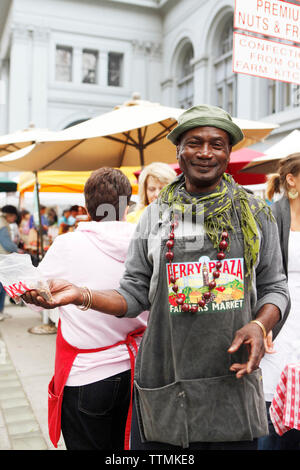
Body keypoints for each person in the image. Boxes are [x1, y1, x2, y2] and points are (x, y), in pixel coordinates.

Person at [22, 105, 289, 450]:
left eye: (217, 144)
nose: (205, 152)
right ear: (178, 149)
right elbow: (133, 293)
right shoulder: (153, 218)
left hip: (231, 383)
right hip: (166, 385)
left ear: (228, 152)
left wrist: (261, 324)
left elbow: (275, 287)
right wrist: (80, 295)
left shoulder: (255, 213)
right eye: (194, 142)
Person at [23, 168, 148, 450]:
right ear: (127, 204)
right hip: (141, 372)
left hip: (88, 375)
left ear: (86, 204)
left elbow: (37, 295)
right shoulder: (147, 242)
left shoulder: (68, 244)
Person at [258, 153, 300, 450]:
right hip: (280, 313)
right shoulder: (271, 216)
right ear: (292, 179)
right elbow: (259, 276)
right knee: (272, 396)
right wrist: (264, 322)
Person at [0, 205, 23, 320]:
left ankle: (1, 312)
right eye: (14, 216)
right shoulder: (3, 224)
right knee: (1, 287)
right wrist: (17, 250)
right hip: (2, 258)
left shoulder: (2, 221)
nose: (14, 219)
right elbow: (6, 243)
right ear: (9, 215)